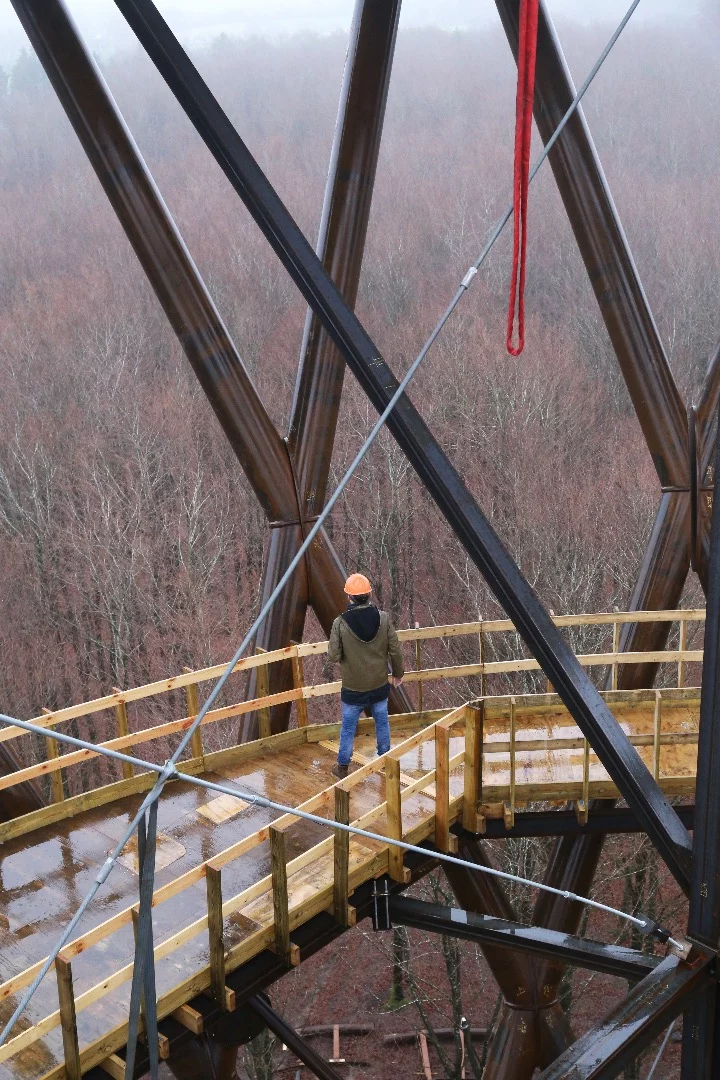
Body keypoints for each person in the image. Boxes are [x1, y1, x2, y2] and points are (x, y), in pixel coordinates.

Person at [327, 574, 404, 780]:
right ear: (369, 594)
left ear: (349, 597)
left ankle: (342, 767)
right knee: (382, 723)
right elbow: (395, 650)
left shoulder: (340, 623)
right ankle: (386, 760)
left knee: (348, 729)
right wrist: (398, 674)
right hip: (378, 684)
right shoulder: (383, 618)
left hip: (353, 688)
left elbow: (333, 656)